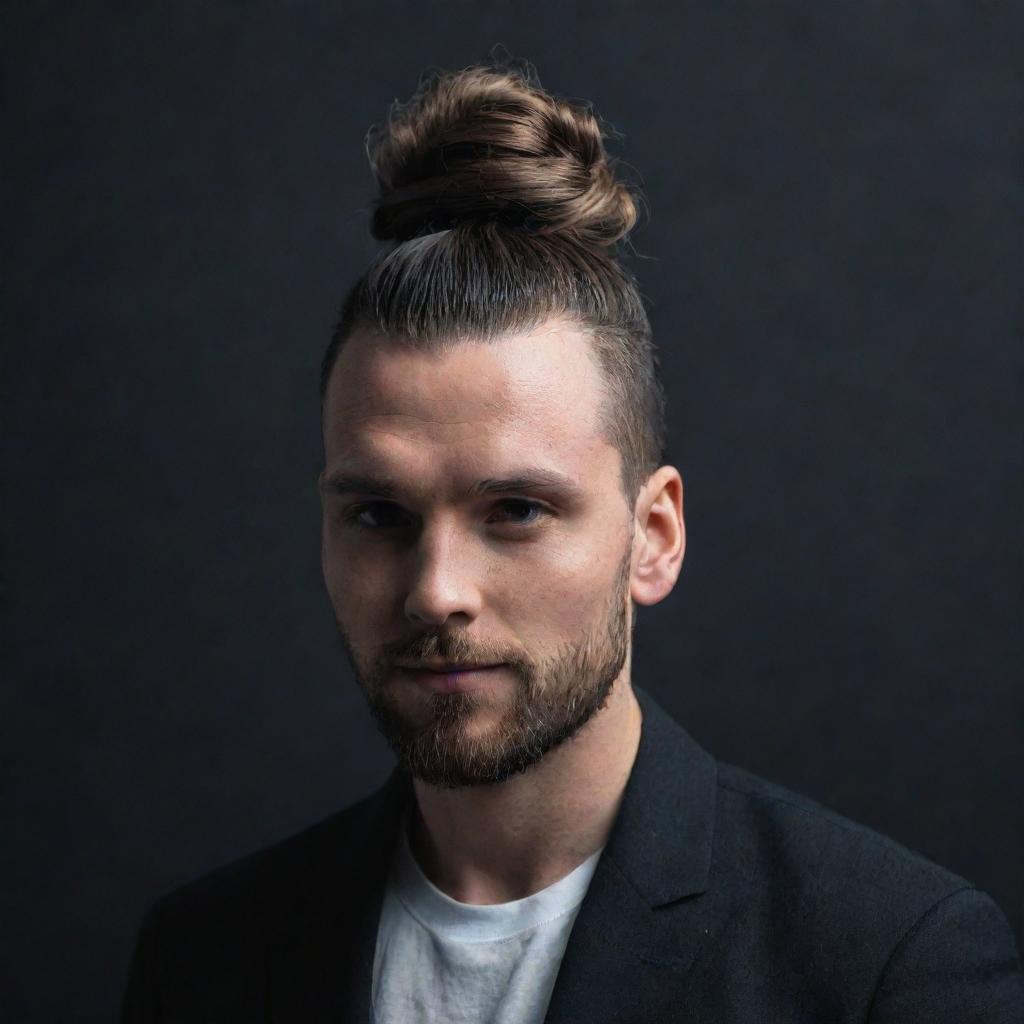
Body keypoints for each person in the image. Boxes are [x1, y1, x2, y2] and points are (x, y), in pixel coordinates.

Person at [121, 58, 1024, 1023]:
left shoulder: (886, 965)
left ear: (654, 536)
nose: (437, 592)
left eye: (516, 510)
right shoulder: (204, 959)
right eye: (378, 515)